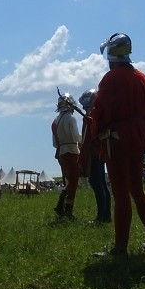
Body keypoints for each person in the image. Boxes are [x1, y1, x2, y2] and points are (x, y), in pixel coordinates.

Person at [89, 33, 145, 256]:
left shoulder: (111, 79)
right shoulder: (144, 79)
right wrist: (140, 136)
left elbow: (101, 111)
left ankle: (120, 248)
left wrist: (97, 131)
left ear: (111, 53)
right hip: (137, 139)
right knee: (137, 191)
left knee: (121, 194)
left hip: (117, 140)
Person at [79, 89, 111, 223]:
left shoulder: (91, 115)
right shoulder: (95, 114)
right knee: (102, 185)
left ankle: (101, 217)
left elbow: (87, 138)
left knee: (97, 185)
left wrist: (83, 156)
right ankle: (106, 215)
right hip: (99, 152)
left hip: (93, 153)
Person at [52, 91, 82, 219]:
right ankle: (66, 209)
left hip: (61, 152)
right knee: (74, 182)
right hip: (72, 151)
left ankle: (62, 206)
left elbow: (54, 143)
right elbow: (76, 137)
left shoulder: (55, 120)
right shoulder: (71, 118)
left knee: (71, 181)